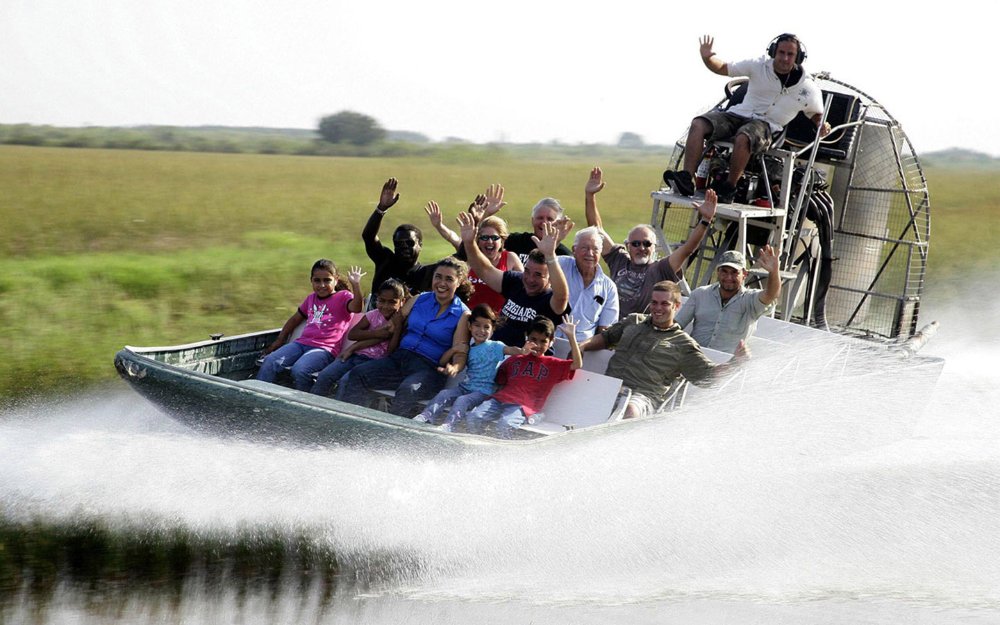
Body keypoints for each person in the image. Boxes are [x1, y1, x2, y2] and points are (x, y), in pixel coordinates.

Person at [664, 34, 831, 203]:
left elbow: (816, 115)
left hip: (767, 126)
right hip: (739, 114)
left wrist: (822, 125)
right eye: (781, 52)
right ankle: (686, 178)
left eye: (790, 54)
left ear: (799, 58)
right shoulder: (757, 65)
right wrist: (707, 57)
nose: (785, 58)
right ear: (773, 52)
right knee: (699, 123)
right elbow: (722, 67)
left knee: (744, 136)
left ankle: (729, 187)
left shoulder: (809, 89)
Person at [581, 281, 749, 418]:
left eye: (664, 304)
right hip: (608, 388)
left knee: (629, 411)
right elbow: (606, 338)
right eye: (654, 303)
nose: (657, 308)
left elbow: (708, 376)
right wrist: (582, 346)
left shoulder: (682, 343)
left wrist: (735, 363)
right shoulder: (634, 321)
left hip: (641, 398)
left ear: (676, 306)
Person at [337, 257, 472, 417]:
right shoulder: (418, 299)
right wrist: (354, 346)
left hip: (428, 369)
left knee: (408, 390)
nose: (441, 283)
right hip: (400, 359)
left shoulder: (462, 314)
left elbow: (460, 351)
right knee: (359, 374)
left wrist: (454, 367)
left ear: (460, 282)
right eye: (438, 277)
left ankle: (392, 438)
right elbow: (389, 329)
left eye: (449, 279)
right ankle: (351, 424)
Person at [584, 166, 717, 319]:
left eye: (647, 244)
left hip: (638, 331)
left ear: (654, 247)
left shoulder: (661, 269)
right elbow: (596, 230)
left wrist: (706, 220)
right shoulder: (619, 259)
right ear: (627, 246)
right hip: (609, 325)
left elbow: (687, 249)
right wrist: (590, 195)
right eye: (635, 244)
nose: (641, 248)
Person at [457, 211, 571, 348]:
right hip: (494, 353)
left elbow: (562, 296)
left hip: (523, 363)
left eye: (538, 275)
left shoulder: (550, 300)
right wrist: (469, 243)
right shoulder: (516, 281)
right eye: (527, 271)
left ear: (550, 279)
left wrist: (551, 256)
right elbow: (485, 270)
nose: (529, 279)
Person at [413, 303, 530, 432]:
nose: (481, 330)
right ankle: (427, 416)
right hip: (465, 387)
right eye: (477, 325)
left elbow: (510, 350)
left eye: (486, 327)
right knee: (444, 393)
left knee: (462, 401)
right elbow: (445, 361)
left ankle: (449, 425)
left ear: (493, 329)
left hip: (483, 392)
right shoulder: (467, 347)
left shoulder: (495, 346)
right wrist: (453, 358)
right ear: (469, 326)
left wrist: (522, 351)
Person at [466, 315, 582, 439]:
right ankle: (477, 447)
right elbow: (499, 380)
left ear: (551, 342)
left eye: (543, 341)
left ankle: (500, 455)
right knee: (474, 417)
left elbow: (577, 364)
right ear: (526, 337)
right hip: (499, 400)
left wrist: (571, 337)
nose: (537, 345)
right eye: (533, 339)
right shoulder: (515, 358)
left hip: (523, 407)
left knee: (504, 424)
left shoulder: (553, 364)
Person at [257, 260, 365, 391]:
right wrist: (280, 340)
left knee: (300, 370)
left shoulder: (343, 296)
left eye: (327, 280)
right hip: (301, 344)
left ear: (336, 280)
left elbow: (357, 307)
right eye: (317, 281)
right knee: (270, 361)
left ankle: (303, 402)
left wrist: (356, 285)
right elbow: (294, 320)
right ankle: (258, 394)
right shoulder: (311, 298)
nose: (322, 285)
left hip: (324, 349)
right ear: (311, 281)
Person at [424, 186, 524, 311]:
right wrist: (439, 225)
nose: (489, 241)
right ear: (478, 240)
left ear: (502, 240)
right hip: (468, 319)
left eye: (494, 237)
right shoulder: (470, 255)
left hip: (496, 321)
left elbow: (523, 288)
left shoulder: (510, 258)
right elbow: (453, 237)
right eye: (484, 238)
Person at [310, 278, 405, 397]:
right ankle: (313, 409)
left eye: (392, 302)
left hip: (374, 363)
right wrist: (378, 333)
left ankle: (339, 413)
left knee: (346, 381)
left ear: (402, 302)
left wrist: (397, 328)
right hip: (355, 356)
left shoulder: (400, 321)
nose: (386, 306)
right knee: (325, 375)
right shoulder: (373, 315)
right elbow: (353, 334)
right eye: (382, 301)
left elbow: (391, 350)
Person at [675, 247, 781, 353]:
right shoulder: (700, 294)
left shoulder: (750, 300)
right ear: (718, 272)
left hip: (728, 364)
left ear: (744, 274)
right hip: (694, 358)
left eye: (734, 272)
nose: (728, 277)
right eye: (724, 271)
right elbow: (677, 325)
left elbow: (771, 295)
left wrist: (774, 272)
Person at [361, 177, 433, 306]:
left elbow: (460, 258)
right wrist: (381, 208)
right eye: (399, 244)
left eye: (410, 243)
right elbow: (368, 236)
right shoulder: (385, 260)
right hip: (375, 321)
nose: (404, 247)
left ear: (420, 245)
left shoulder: (427, 273)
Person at [475, 187, 572, 264]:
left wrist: (556, 242)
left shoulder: (564, 255)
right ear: (532, 220)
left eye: (550, 219)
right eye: (540, 218)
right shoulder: (516, 241)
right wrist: (486, 215)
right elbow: (482, 241)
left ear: (558, 223)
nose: (544, 222)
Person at [555, 225, 619, 341]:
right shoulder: (560, 264)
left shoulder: (609, 287)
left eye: (595, 249)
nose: (590, 253)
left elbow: (605, 331)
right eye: (584, 248)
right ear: (574, 250)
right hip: (548, 341)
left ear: (600, 253)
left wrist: (582, 348)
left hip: (583, 347)